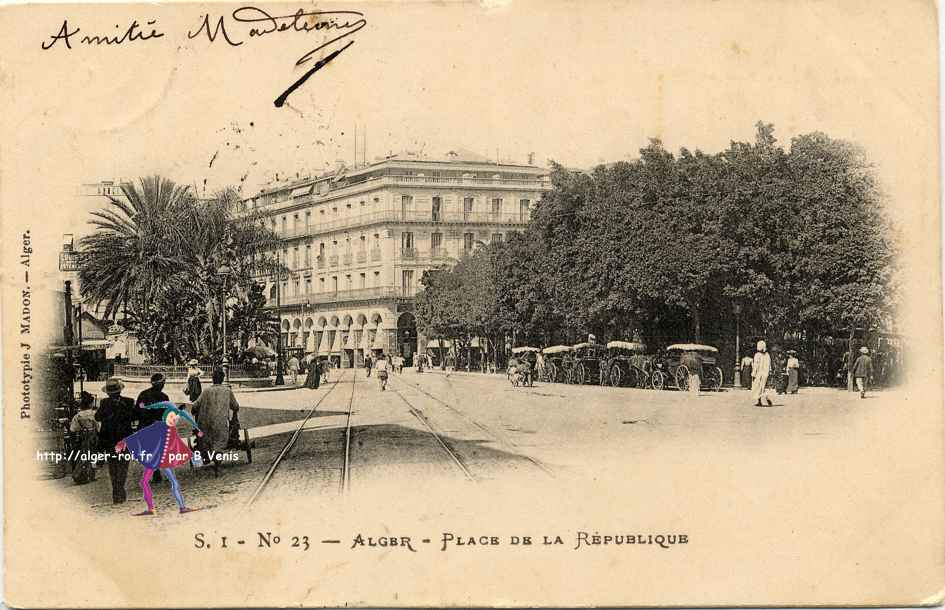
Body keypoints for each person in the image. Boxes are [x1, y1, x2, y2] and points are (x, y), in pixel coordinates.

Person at [116, 401, 203, 515]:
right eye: (172, 417)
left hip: (161, 459)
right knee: (146, 482)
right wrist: (124, 442)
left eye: (176, 419)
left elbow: (179, 445)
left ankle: (180, 507)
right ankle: (154, 508)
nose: (174, 420)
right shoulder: (160, 426)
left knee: (172, 482)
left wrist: (197, 431)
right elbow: (142, 433)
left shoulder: (172, 430)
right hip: (156, 458)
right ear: (165, 416)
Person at [95, 377, 138, 504]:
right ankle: (119, 490)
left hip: (110, 440)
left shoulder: (104, 403)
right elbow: (135, 416)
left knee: (113, 467)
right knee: (122, 467)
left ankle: (117, 491)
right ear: (120, 391)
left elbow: (97, 417)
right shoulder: (128, 402)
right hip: (123, 439)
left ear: (108, 393)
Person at [191, 368, 240, 474]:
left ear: (212, 379)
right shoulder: (227, 391)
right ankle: (216, 456)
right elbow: (235, 406)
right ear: (222, 379)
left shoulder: (206, 391)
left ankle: (207, 455)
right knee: (219, 440)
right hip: (220, 424)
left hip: (204, 425)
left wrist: (195, 411)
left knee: (205, 440)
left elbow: (195, 406)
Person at [135, 372, 171, 483]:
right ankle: (156, 472)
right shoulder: (164, 397)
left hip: (145, 426)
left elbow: (137, 411)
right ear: (161, 384)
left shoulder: (143, 394)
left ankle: (154, 471)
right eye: (163, 383)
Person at [69, 392, 99, 485]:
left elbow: (73, 429)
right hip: (93, 434)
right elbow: (98, 426)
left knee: (84, 454)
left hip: (83, 435)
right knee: (94, 453)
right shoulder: (93, 414)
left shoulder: (78, 415)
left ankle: (83, 474)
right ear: (90, 403)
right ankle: (92, 474)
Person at [752, 341, 773, 407]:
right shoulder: (767, 355)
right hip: (765, 373)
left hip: (759, 373)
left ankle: (760, 400)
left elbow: (756, 365)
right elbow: (769, 365)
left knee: (757, 387)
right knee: (763, 387)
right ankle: (766, 398)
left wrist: (753, 374)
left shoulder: (757, 355)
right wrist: (769, 371)